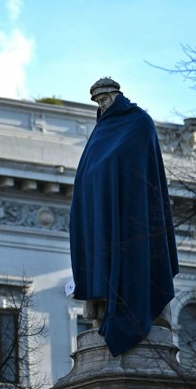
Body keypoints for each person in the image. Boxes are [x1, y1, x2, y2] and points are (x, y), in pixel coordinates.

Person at [69, 77, 178, 356]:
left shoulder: (139, 122)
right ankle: (104, 312)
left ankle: (137, 311)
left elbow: (140, 170)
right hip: (103, 218)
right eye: (97, 101)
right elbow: (89, 176)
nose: (102, 104)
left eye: (105, 98)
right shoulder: (100, 133)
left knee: (132, 261)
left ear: (117, 95)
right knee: (103, 265)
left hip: (133, 216)